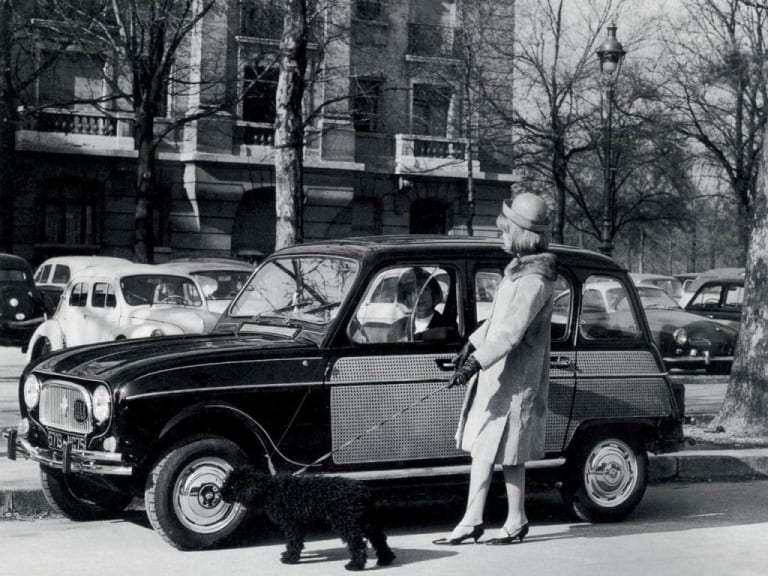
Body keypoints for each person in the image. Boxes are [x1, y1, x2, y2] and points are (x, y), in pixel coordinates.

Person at [432, 192, 557, 546]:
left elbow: (511, 331)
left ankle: (516, 520)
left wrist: (476, 361)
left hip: (515, 379)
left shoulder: (534, 280)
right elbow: (496, 321)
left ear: (522, 234)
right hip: (497, 375)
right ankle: (472, 520)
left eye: (505, 231)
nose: (500, 237)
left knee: (511, 454)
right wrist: (471, 343)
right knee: (485, 448)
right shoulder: (517, 272)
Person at [387, 271, 447, 342]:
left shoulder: (446, 325)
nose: (420, 296)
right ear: (406, 297)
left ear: (433, 292)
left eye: (425, 289)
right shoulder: (396, 328)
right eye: (414, 291)